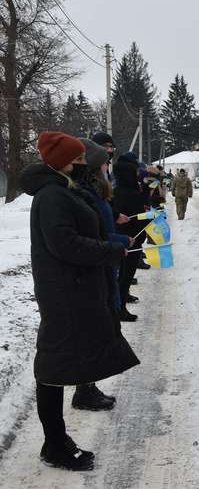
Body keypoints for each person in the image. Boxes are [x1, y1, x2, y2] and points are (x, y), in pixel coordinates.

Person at [22, 132, 140, 471]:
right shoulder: (52, 196)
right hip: (63, 293)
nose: (81, 165)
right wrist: (108, 251)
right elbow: (65, 244)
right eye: (76, 160)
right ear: (62, 162)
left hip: (73, 289)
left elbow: (81, 234)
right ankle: (55, 444)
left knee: (63, 361)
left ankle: (58, 437)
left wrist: (112, 244)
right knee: (53, 366)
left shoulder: (63, 189)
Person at [74, 138, 133, 410]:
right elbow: (91, 235)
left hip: (103, 263)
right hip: (93, 269)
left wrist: (117, 239)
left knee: (96, 331)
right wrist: (117, 242)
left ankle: (87, 387)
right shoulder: (85, 195)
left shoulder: (96, 192)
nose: (108, 166)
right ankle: (83, 391)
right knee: (90, 333)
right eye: (104, 162)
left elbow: (101, 230)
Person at [113, 155, 148, 321]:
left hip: (118, 238)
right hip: (132, 240)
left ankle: (119, 303)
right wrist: (151, 216)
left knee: (120, 274)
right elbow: (140, 218)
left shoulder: (114, 191)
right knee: (125, 276)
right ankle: (120, 309)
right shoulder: (132, 194)